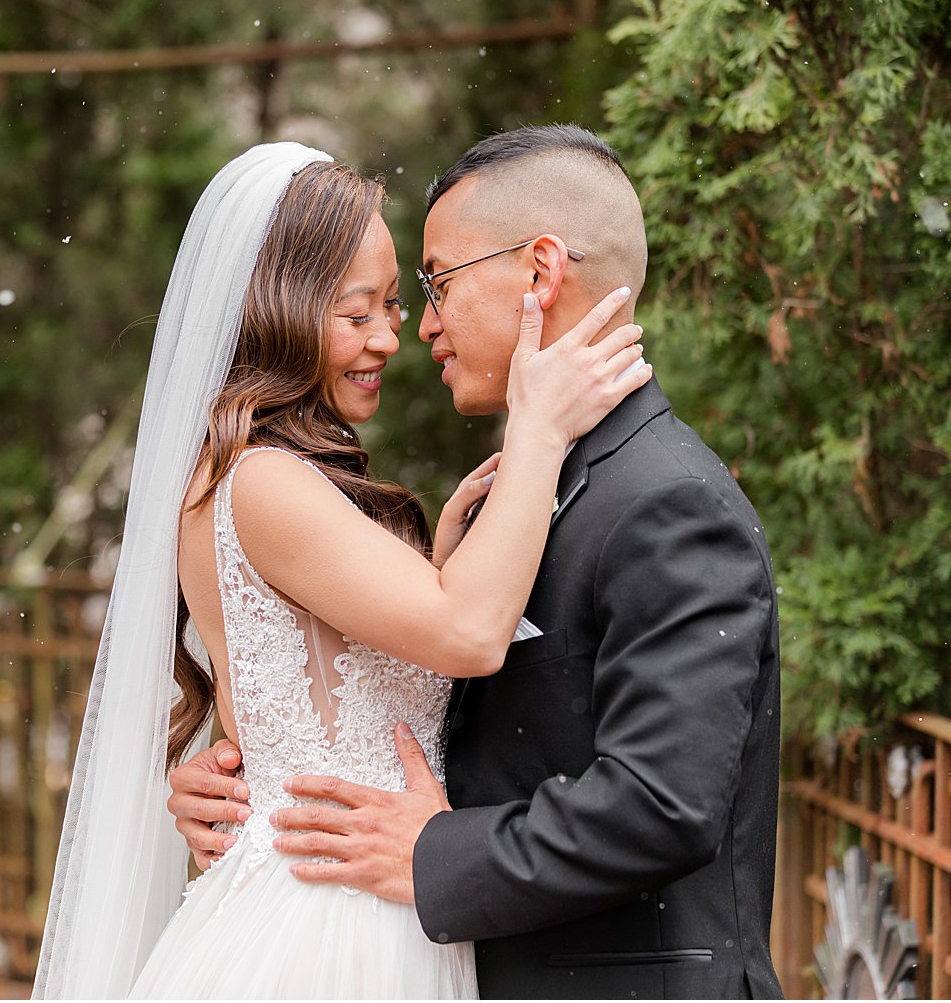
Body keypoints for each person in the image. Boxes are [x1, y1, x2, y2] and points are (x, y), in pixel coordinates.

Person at [168, 126, 784, 1000]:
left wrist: (434, 854)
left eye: (434, 286)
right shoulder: (522, 490)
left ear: (539, 274)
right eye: (367, 308)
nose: (416, 327)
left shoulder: (663, 500)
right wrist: (250, 776)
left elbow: (662, 803)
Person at [34, 140, 649, 999]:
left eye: (395, 306)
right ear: (279, 307)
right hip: (324, 927)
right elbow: (468, 634)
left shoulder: (273, 478)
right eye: (356, 313)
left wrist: (437, 563)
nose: (391, 338)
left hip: (369, 900)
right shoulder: (261, 480)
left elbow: (346, 672)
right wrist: (538, 429)